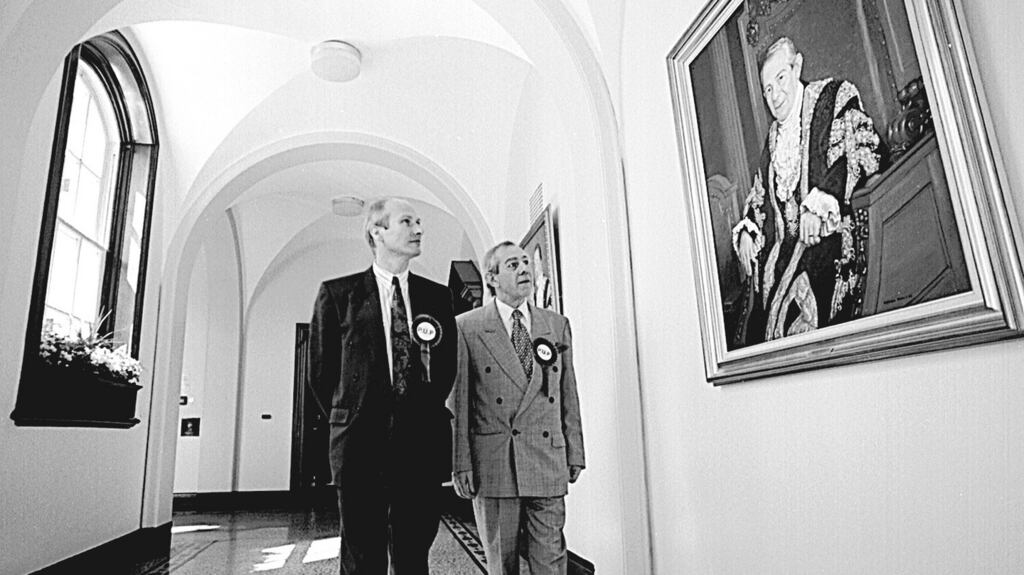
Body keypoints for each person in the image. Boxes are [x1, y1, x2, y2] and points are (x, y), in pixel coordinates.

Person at [309, 197, 457, 575]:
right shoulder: (338, 295)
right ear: (378, 231)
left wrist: (415, 413)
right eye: (407, 221)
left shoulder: (437, 297)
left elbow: (444, 371)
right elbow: (322, 375)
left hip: (420, 447)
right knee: (362, 557)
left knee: (413, 555)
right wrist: (358, 414)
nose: (418, 229)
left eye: (420, 221)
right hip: (359, 445)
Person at [732, 36, 887, 345]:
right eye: (768, 89)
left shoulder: (833, 97)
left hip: (827, 240)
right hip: (784, 254)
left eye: (781, 79)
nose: (775, 96)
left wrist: (822, 201)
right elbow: (760, 195)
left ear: (797, 66)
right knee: (757, 322)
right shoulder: (773, 140)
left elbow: (862, 149)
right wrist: (748, 230)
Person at [451, 240, 585, 575]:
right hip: (494, 462)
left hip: (546, 457)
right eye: (513, 265)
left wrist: (575, 450)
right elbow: (460, 402)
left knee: (551, 561)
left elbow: (568, 392)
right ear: (492, 278)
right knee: (502, 564)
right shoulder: (467, 327)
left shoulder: (556, 325)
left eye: (526, 262)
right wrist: (460, 463)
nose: (524, 269)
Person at [532, 244, 553, 310]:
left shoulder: (547, 284)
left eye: (538, 261)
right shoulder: (535, 288)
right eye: (535, 261)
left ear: (541, 261)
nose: (536, 265)